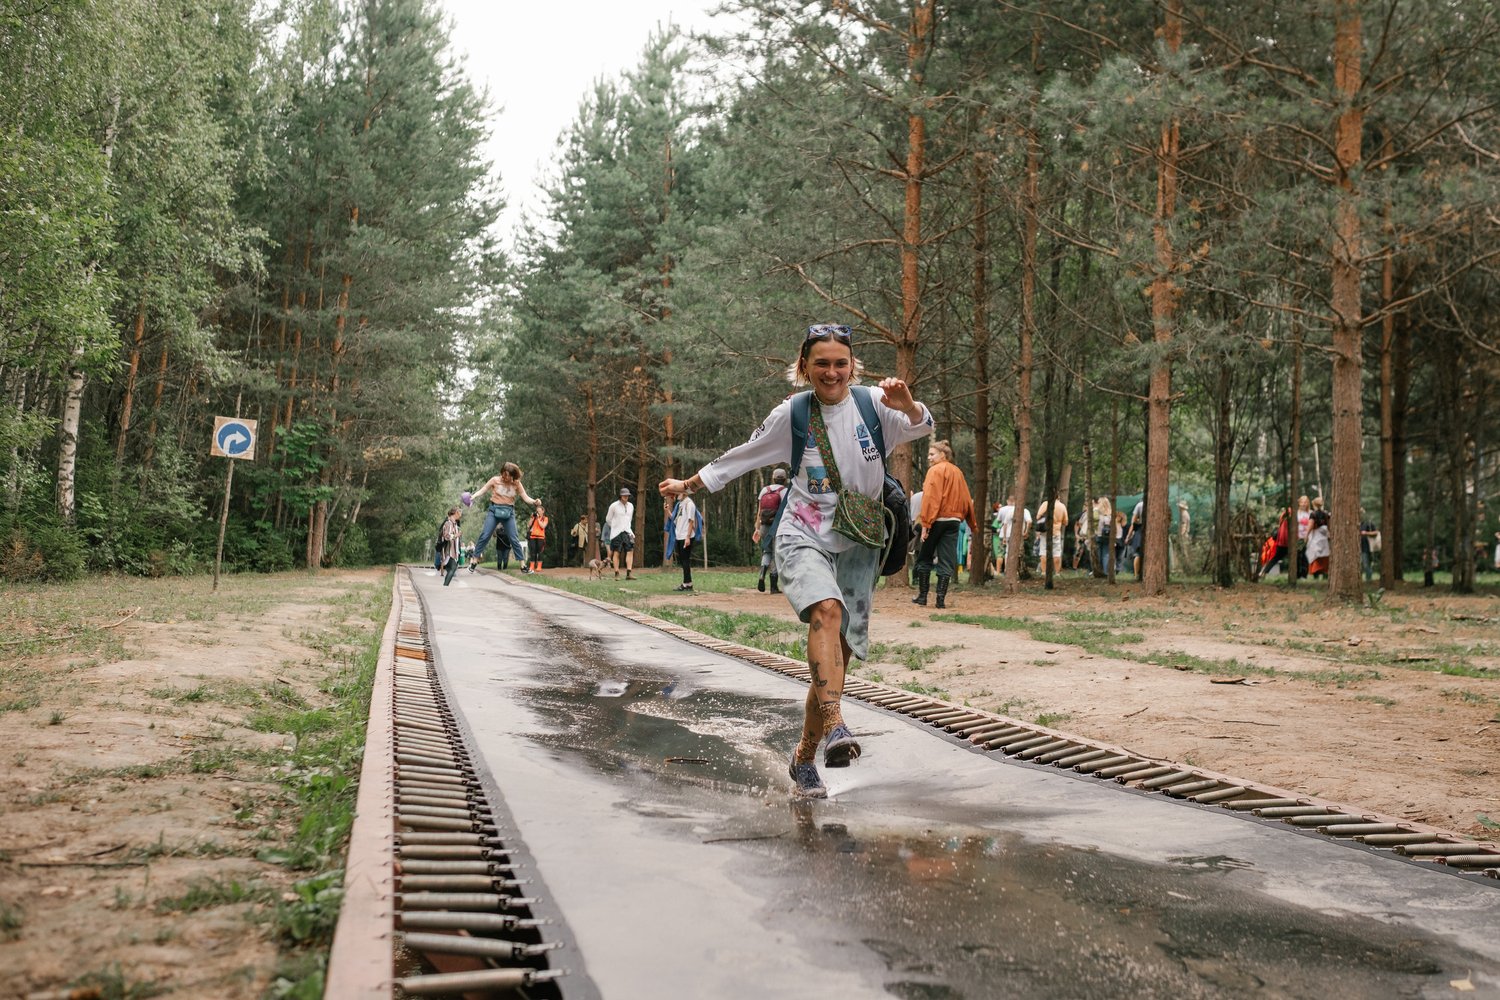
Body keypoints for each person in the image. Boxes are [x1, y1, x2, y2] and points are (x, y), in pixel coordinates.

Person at [657, 322, 933, 799]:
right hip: (802, 533)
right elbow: (742, 456)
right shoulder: (793, 413)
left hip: (860, 542)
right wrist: (689, 486)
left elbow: (922, 426)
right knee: (825, 613)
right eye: (821, 363)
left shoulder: (872, 405)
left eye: (840, 363)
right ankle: (837, 726)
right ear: (804, 366)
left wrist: (907, 405)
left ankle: (804, 757)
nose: (831, 372)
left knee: (837, 656)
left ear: (852, 366)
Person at [912, 440, 978, 609]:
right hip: (954, 521)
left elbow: (930, 498)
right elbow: (966, 498)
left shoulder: (934, 471)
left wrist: (926, 524)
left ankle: (922, 597)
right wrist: (970, 521)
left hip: (937, 519)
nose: (929, 457)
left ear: (943, 455)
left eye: (932, 454)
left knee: (925, 556)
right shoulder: (958, 472)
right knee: (947, 559)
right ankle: (940, 600)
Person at [468, 462, 539, 573]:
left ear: (513, 475)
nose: (505, 477)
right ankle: (474, 561)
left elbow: (525, 497)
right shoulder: (495, 480)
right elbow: (483, 489)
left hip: (508, 513)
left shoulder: (517, 484)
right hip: (494, 510)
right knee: (485, 535)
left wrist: (534, 501)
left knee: (514, 538)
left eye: (508, 475)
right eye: (504, 474)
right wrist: (473, 496)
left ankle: (523, 566)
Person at [754, 469, 789, 593]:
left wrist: (757, 528)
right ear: (784, 479)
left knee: (766, 551)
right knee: (775, 554)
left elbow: (759, 512)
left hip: (764, 526)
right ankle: (773, 586)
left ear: (773, 478)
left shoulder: (764, 490)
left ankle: (762, 573)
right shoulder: (785, 491)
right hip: (777, 527)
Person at [666, 492, 699, 591]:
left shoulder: (689, 504)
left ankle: (687, 584)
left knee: (685, 560)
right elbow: (675, 520)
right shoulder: (680, 504)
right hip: (679, 535)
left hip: (686, 536)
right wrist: (668, 510)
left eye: (679, 492)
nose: (677, 495)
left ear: (684, 493)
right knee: (683, 560)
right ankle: (687, 583)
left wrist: (688, 537)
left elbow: (691, 521)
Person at [604, 487, 636, 580]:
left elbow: (629, 518)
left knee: (630, 551)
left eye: (627, 495)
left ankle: (629, 573)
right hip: (616, 532)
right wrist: (615, 526)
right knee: (616, 552)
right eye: (624, 495)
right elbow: (608, 519)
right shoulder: (614, 506)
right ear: (620, 496)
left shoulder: (631, 506)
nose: (626, 496)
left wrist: (628, 528)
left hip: (627, 531)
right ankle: (617, 573)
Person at [1034, 496, 1069, 577]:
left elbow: (1038, 516)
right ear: (1059, 497)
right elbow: (1066, 522)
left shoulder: (1046, 503)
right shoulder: (1062, 506)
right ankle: (1057, 573)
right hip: (1056, 532)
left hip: (1045, 531)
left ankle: (1043, 572)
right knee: (1057, 553)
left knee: (1043, 551)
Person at [438, 507, 464, 586]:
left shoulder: (454, 524)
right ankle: (445, 585)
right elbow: (446, 536)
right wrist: (456, 535)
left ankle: (445, 586)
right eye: (459, 512)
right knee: (453, 568)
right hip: (449, 551)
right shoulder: (448, 523)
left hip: (454, 551)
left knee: (451, 569)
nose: (460, 514)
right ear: (456, 513)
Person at [1306, 498, 1330, 578]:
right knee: (1324, 554)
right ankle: (1325, 574)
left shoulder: (1313, 514)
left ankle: (1316, 573)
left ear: (1314, 505)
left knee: (1315, 554)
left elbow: (1310, 525)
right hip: (1324, 537)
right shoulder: (1326, 514)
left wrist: (1306, 535)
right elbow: (1329, 525)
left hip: (1316, 536)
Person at [526, 504, 550, 573]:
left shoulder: (545, 518)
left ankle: (539, 566)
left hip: (541, 537)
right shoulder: (534, 517)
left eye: (539, 511)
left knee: (540, 552)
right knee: (532, 552)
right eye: (537, 511)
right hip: (532, 537)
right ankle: (532, 566)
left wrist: (539, 518)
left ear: (543, 511)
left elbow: (543, 526)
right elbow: (529, 525)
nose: (538, 512)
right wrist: (531, 518)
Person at [1094, 497, 1114, 577]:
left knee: (1098, 554)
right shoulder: (1110, 514)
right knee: (1106, 554)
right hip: (1107, 536)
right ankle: (1106, 572)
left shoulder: (1097, 513)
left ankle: (1099, 571)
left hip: (1098, 535)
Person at [1359, 512, 1379, 582]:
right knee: (1358, 566)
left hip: (1366, 548)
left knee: (1366, 564)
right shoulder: (1356, 524)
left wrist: (1366, 533)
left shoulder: (1368, 524)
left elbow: (1376, 532)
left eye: (1361, 513)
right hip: (1357, 549)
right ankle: (1358, 581)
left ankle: (1369, 580)